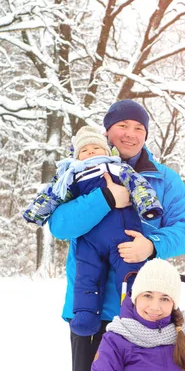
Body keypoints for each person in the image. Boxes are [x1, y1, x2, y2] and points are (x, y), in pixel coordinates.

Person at [46, 100, 185, 371]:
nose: (129, 134)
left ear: (146, 135)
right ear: (106, 132)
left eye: (138, 128)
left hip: (147, 310)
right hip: (91, 308)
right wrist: (107, 199)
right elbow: (60, 225)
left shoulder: (164, 180)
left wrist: (153, 243)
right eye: (121, 126)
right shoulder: (79, 175)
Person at [23, 125, 163, 337]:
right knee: (87, 277)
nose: (90, 153)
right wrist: (36, 213)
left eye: (95, 148)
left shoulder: (119, 168)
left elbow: (139, 186)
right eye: (84, 150)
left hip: (124, 238)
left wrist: (148, 207)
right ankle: (85, 314)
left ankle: (136, 314)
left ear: (107, 151)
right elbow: (52, 195)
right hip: (90, 242)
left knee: (131, 273)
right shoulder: (72, 175)